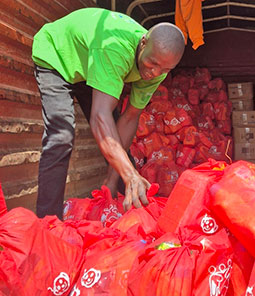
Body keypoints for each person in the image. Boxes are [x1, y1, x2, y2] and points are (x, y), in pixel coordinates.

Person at [32, 7, 185, 219]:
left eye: (165, 70)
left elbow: (130, 116)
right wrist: (130, 174)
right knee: (61, 137)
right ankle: (47, 221)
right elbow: (99, 117)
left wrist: (113, 180)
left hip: (90, 64)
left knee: (117, 139)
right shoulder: (116, 47)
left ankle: (127, 213)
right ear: (142, 44)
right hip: (56, 56)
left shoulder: (159, 65)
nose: (155, 73)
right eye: (153, 64)